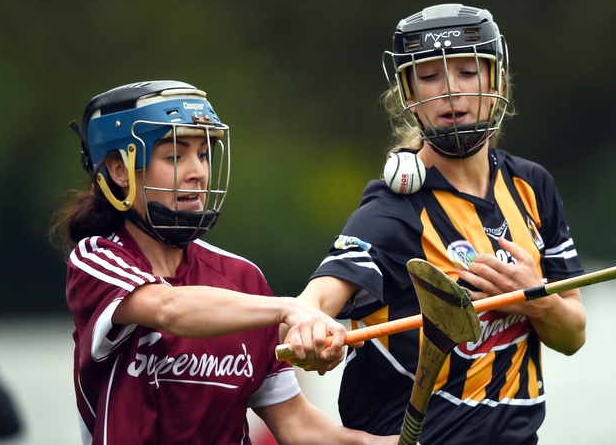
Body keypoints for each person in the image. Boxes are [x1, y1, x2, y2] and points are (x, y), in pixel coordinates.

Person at [282, 3, 587, 445]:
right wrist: (307, 328)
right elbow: (311, 305)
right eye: (429, 76)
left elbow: (573, 334)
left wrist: (532, 299)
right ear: (408, 94)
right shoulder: (391, 213)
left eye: (467, 72)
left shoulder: (532, 186)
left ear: (496, 80)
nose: (450, 91)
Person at [51, 80, 400, 445]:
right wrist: (290, 310)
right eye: (175, 156)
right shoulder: (98, 259)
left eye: (204, 154)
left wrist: (375, 444)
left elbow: (296, 424)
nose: (198, 172)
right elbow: (169, 308)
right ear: (120, 170)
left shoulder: (242, 279)